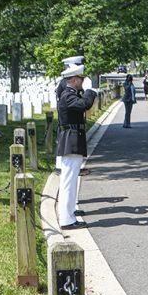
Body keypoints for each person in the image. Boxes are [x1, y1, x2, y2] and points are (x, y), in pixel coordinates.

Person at [56, 63, 97, 230]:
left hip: (73, 138)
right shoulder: (67, 95)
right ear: (74, 80)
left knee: (72, 180)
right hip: (70, 139)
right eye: (80, 78)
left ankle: (70, 211)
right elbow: (84, 105)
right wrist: (90, 90)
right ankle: (66, 219)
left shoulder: (70, 93)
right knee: (68, 180)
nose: (82, 80)